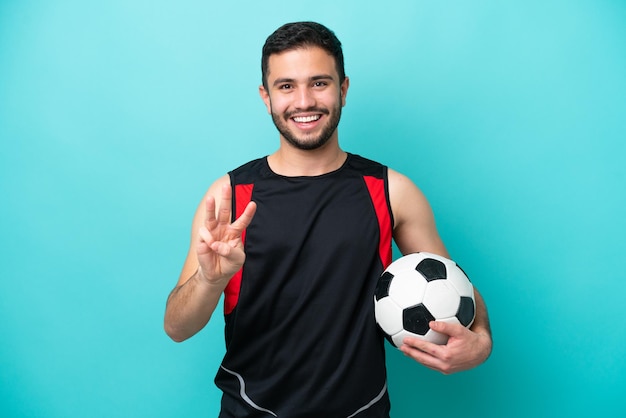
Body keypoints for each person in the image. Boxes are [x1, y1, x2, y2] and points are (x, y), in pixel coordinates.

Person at [164, 21, 492, 417]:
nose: (304, 101)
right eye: (286, 86)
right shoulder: (229, 197)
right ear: (266, 97)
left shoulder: (391, 191)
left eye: (319, 83)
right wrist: (211, 280)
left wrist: (482, 341)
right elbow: (177, 327)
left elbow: (452, 286)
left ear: (344, 89)